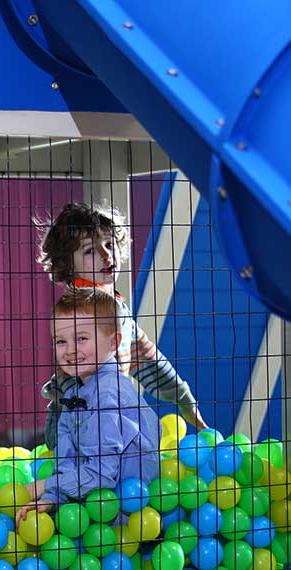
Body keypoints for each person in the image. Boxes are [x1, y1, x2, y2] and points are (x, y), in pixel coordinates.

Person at [38, 202, 207, 449]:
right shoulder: (76, 308)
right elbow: (71, 374)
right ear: (67, 264)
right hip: (75, 426)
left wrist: (181, 395)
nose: (106, 255)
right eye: (89, 251)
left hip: (110, 419)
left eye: (109, 244)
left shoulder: (116, 308)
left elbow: (146, 358)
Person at [17, 289, 160, 523]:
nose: (70, 349)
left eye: (81, 338)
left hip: (128, 516)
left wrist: (44, 486)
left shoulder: (109, 393)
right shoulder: (73, 394)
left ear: (114, 342)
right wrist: (52, 498)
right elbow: (67, 458)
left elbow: (102, 473)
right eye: (61, 341)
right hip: (91, 510)